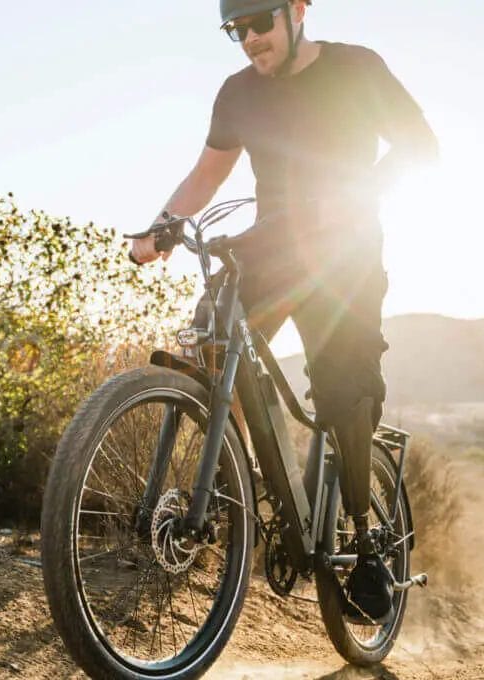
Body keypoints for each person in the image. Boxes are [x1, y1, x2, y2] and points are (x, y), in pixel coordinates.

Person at [128, 0, 437, 624]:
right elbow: (207, 174)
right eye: (234, 30)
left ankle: (364, 543)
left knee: (344, 391)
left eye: (258, 24)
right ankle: (236, 484)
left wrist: (350, 198)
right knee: (208, 346)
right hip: (268, 248)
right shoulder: (238, 94)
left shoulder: (357, 69)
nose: (247, 40)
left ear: (298, 10)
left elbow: (420, 148)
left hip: (343, 255)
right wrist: (159, 229)